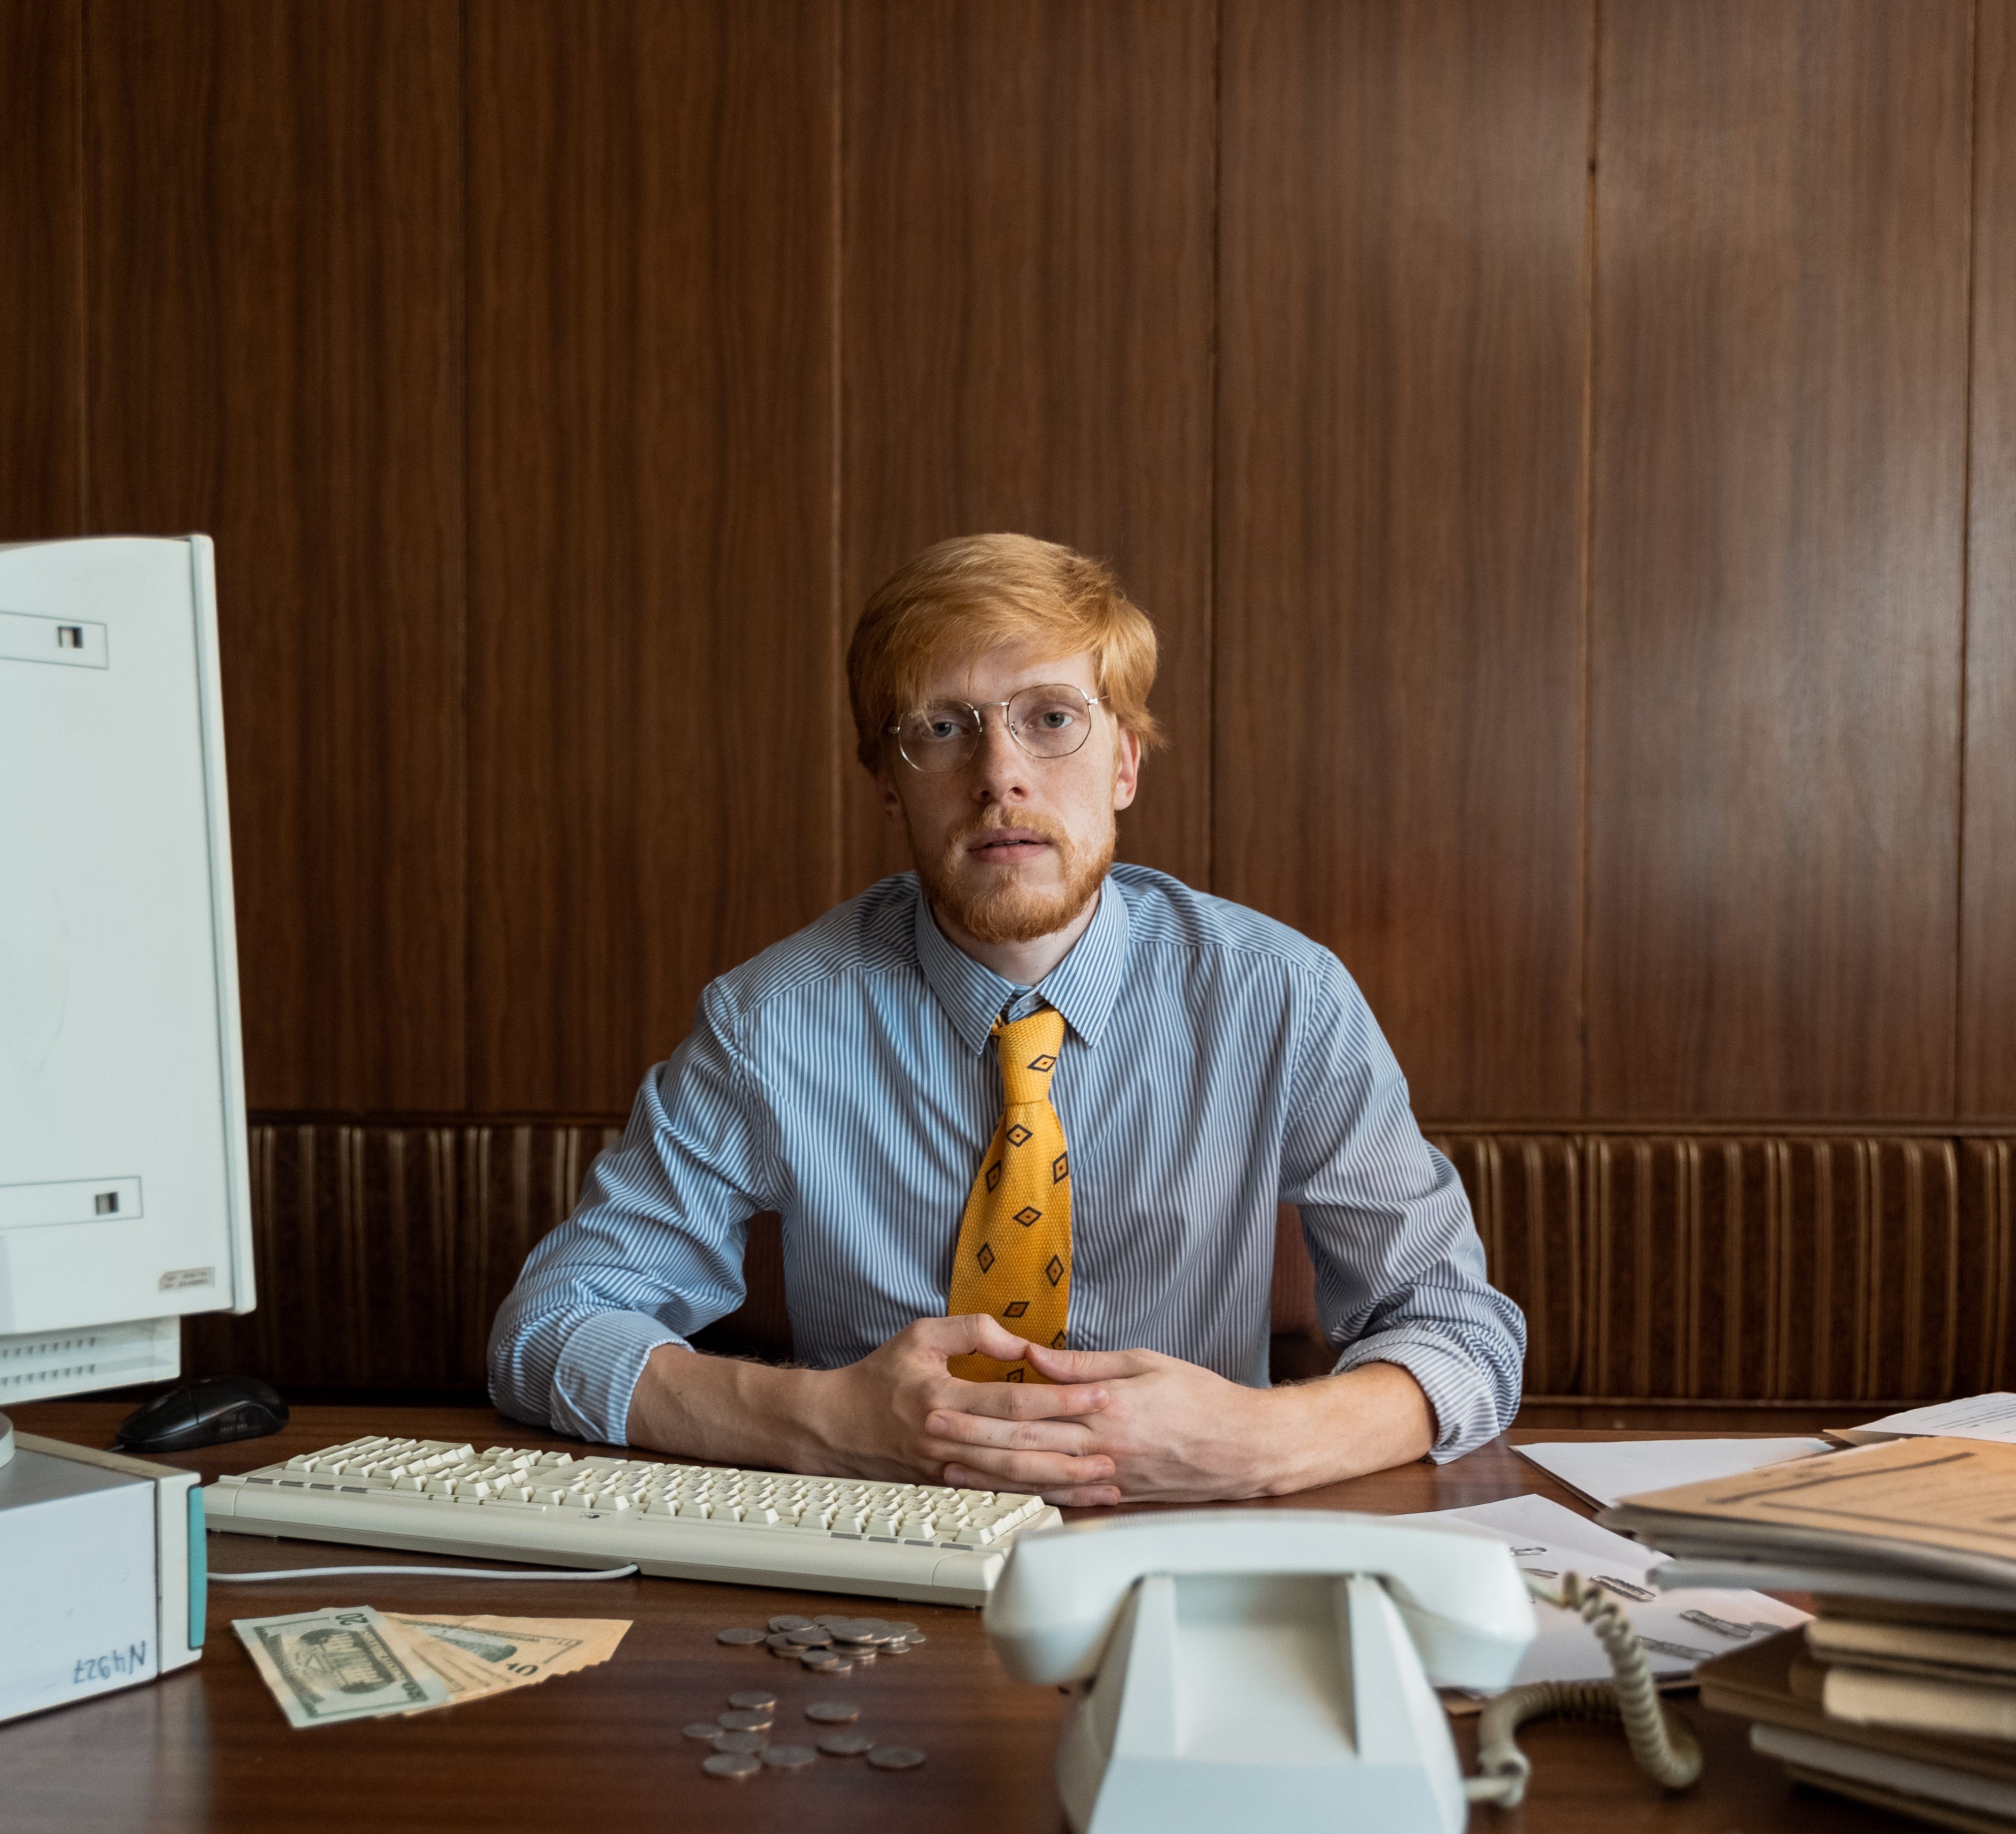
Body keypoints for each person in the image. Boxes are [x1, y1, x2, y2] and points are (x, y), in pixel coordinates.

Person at [489, 534, 1524, 1504]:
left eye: (1051, 717)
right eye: (942, 728)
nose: (1000, 776)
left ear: (1123, 762)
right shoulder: (770, 1024)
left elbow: (1460, 1335)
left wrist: (1256, 1442)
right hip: (874, 1555)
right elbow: (550, 1329)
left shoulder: (1282, 997)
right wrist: (820, 1420)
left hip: (1188, 1549)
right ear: (890, 785)